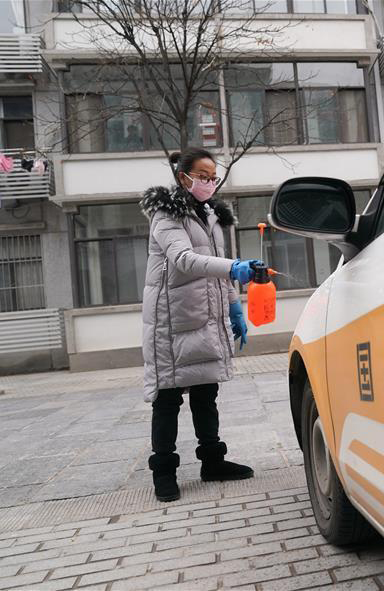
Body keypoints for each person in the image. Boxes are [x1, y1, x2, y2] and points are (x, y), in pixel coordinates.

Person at [140, 147, 262, 502]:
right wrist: (233, 267)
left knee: (206, 392)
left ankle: (213, 461)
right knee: (168, 397)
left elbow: (217, 268)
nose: (209, 183)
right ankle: (164, 472)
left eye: (213, 177)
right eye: (203, 177)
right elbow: (184, 259)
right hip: (171, 320)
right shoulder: (166, 214)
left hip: (206, 315)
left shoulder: (209, 215)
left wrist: (234, 306)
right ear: (184, 178)